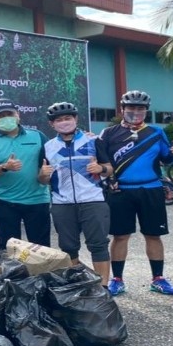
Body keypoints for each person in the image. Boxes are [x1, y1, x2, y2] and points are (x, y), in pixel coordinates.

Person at [98, 90, 173, 296]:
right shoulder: (109, 133)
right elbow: (102, 163)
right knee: (120, 236)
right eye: (131, 108)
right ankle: (117, 279)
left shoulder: (155, 132)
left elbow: (165, 159)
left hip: (151, 189)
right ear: (122, 109)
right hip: (120, 192)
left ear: (146, 111)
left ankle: (158, 279)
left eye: (140, 108)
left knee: (154, 235)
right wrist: (108, 182)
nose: (135, 112)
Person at [38, 102, 112, 286]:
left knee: (98, 245)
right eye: (59, 120)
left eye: (68, 118)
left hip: (93, 200)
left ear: (76, 119)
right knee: (68, 248)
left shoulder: (93, 141)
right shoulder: (48, 146)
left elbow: (109, 168)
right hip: (62, 204)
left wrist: (100, 167)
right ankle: (78, 284)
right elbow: (41, 178)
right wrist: (42, 175)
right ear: (52, 124)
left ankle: (102, 288)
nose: (64, 122)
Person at [0, 98, 50, 249]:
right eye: (0, 115)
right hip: (4, 202)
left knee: (41, 249)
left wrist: (45, 175)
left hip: (37, 200)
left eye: (9, 114)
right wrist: (3, 167)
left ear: (18, 115)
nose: (6, 118)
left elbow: (45, 172)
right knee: (8, 250)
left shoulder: (38, 137)